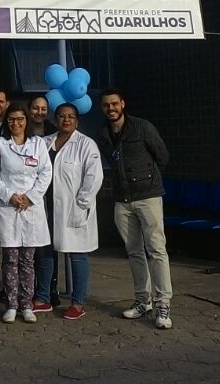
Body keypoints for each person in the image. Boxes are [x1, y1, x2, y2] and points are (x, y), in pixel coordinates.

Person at [98, 88, 173, 330]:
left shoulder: (142, 127)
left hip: (148, 196)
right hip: (122, 199)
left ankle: (163, 304)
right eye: (106, 105)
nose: (111, 108)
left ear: (122, 104)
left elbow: (162, 156)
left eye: (114, 104)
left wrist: (148, 179)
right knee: (134, 252)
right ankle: (143, 301)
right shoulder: (104, 133)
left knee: (157, 250)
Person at [32, 103, 103, 320]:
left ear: (77, 121)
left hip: (73, 208)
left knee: (77, 255)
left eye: (71, 116)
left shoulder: (86, 144)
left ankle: (78, 303)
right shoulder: (44, 142)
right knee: (45, 253)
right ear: (55, 119)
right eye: (62, 116)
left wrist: (81, 203)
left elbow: (94, 177)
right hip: (46, 208)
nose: (66, 120)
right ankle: (43, 298)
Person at [0, 102, 53, 323]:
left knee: (27, 260)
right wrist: (10, 196)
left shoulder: (38, 144)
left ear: (27, 121)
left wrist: (30, 197)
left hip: (31, 208)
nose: (16, 123)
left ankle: (27, 304)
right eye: (12, 119)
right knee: (10, 259)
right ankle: (12, 305)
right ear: (7, 122)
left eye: (20, 119)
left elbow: (46, 173)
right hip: (8, 206)